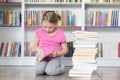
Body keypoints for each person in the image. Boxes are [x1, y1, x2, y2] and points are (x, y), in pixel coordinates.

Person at [32, 11, 68, 76]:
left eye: (50, 27)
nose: (47, 29)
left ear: (55, 24)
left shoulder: (60, 33)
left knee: (50, 72)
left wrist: (56, 53)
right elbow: (33, 48)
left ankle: (61, 68)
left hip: (54, 58)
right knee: (38, 71)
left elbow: (65, 50)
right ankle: (47, 68)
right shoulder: (39, 32)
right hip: (42, 58)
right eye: (45, 27)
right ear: (42, 23)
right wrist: (38, 50)